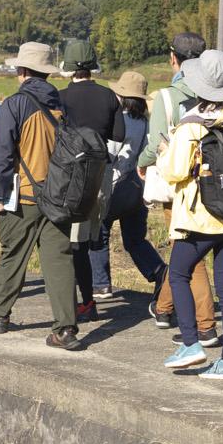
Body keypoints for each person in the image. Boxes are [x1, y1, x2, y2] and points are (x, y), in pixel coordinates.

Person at [159, 50, 223, 382]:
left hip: (201, 217)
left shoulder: (191, 125)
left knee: (179, 274)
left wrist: (164, 154)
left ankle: (190, 344)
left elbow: (173, 172)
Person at [0, 41, 82, 350]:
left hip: (24, 195)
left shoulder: (15, 105)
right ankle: (65, 329)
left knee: (14, 253)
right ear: (47, 73)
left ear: (23, 71)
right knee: (60, 260)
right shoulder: (63, 105)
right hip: (58, 197)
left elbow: (1, 155)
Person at [138, 31, 218, 342]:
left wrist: (141, 164)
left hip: (180, 186)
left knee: (189, 254)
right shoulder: (216, 95)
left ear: (174, 58)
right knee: (183, 251)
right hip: (213, 184)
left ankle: (205, 326)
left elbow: (155, 144)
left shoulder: (166, 97)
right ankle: (163, 308)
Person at [57, 38, 125, 318]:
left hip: (71, 175)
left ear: (68, 67)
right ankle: (89, 298)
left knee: (70, 242)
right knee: (87, 239)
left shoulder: (60, 97)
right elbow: (119, 135)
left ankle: (81, 302)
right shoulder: (108, 96)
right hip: (100, 173)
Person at [88, 70, 166, 296]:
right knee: (135, 240)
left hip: (117, 186)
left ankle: (100, 283)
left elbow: (110, 155)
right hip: (140, 188)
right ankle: (160, 272)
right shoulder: (146, 122)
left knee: (99, 232)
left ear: (121, 96)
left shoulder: (119, 121)